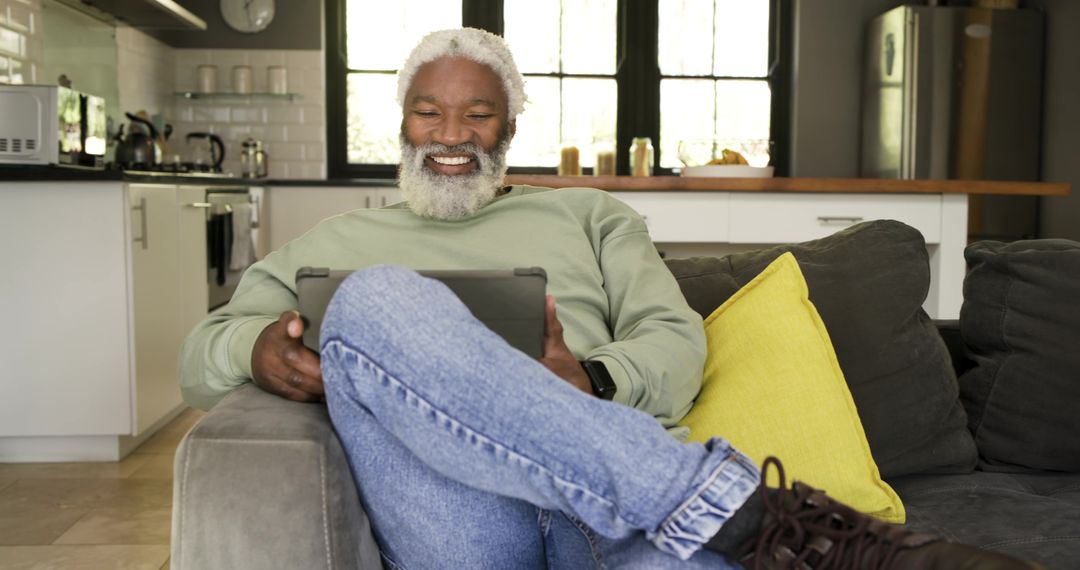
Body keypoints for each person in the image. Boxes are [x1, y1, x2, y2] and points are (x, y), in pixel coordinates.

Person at [179, 28, 1033, 569]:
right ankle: (759, 519)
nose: (449, 135)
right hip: (463, 520)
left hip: (614, 515)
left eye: (476, 115)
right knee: (371, 302)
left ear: (508, 130)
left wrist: (589, 377)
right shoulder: (332, 243)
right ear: (402, 125)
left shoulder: (590, 216)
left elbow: (675, 341)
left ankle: (727, 526)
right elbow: (198, 358)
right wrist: (252, 348)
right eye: (428, 114)